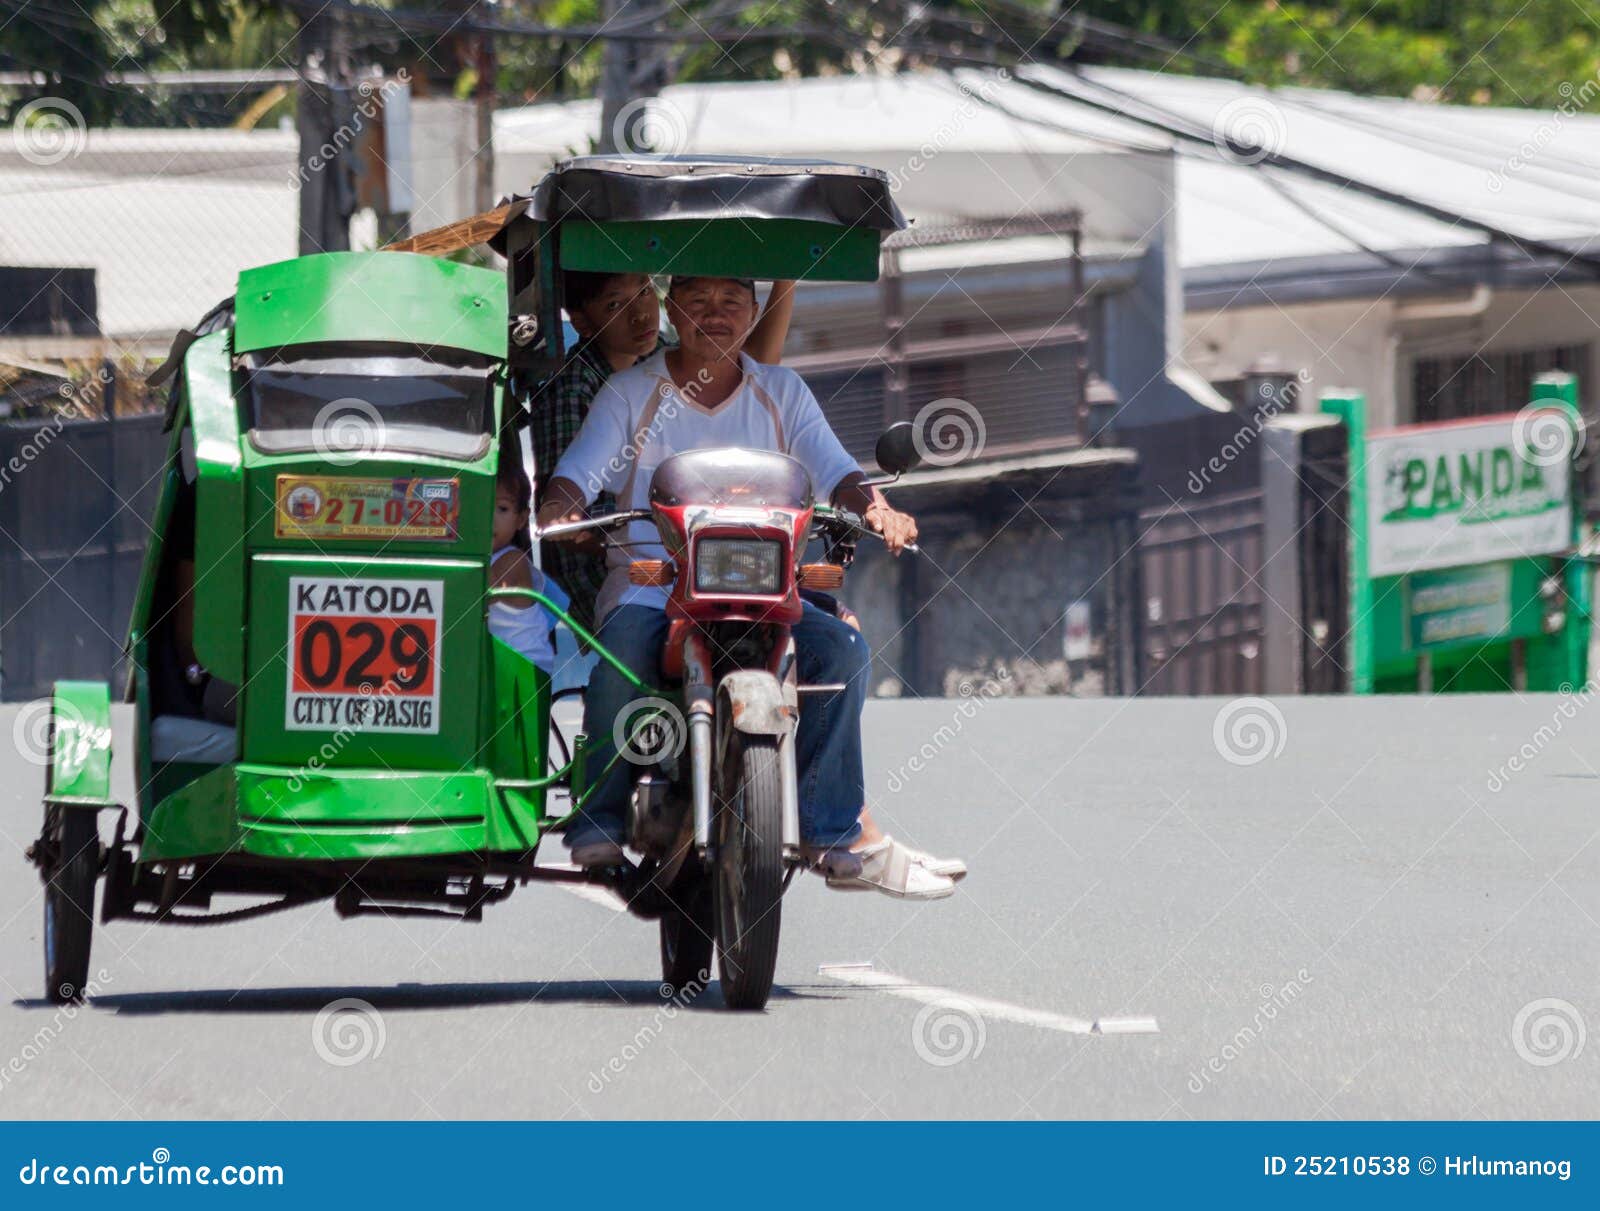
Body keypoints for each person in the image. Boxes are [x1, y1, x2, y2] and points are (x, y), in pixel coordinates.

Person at [534, 270, 964, 893]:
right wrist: (562, 507)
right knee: (620, 655)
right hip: (654, 581)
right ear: (673, 310)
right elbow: (579, 470)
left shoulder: (782, 391)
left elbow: (836, 467)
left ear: (754, 311)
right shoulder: (629, 393)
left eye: (732, 301)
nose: (716, 314)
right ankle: (598, 815)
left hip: (765, 586)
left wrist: (875, 507)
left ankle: (832, 825)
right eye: (699, 301)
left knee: (840, 651)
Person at [488, 449, 567, 675]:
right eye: (479, 503)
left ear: (521, 519)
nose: (489, 517)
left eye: (502, 509)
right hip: (493, 663)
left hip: (524, 672)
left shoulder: (512, 561)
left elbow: (472, 590)